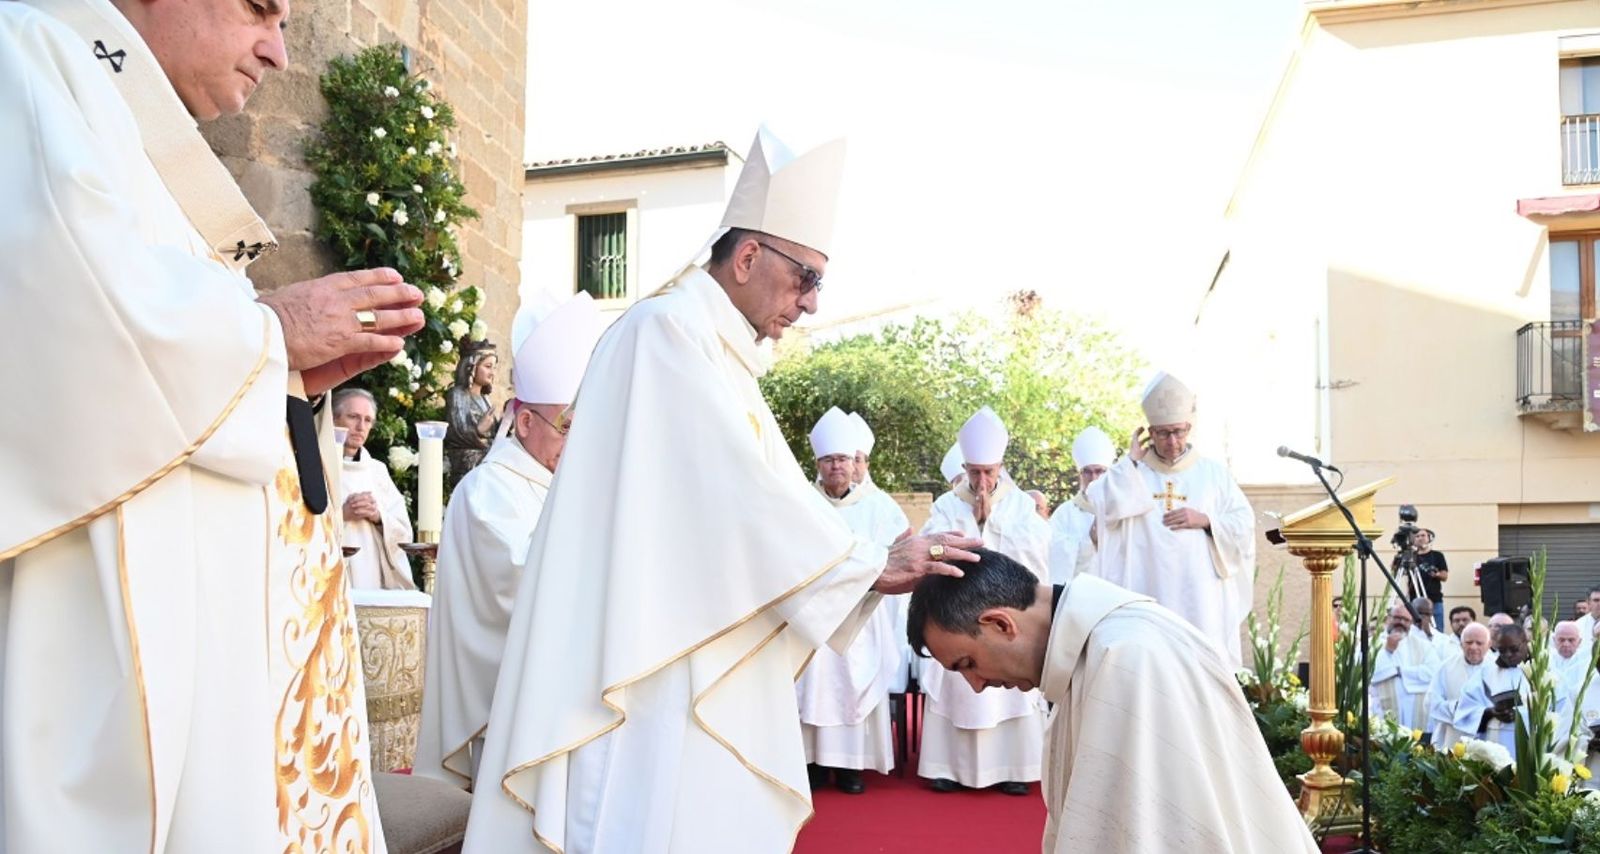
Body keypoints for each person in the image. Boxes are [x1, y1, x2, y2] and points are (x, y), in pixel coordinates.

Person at [460, 128, 982, 852]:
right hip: (650, 664)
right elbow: (741, 499)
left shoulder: (715, 352)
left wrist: (866, 559)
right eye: (807, 279)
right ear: (746, 257)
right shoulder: (665, 333)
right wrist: (866, 564)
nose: (810, 306)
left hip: (685, 644)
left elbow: (763, 494)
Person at [0, 0, 428, 849]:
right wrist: (268, 334)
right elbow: (72, 325)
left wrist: (280, 367)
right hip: (107, 689)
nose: (275, 50)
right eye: (259, 10)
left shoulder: (131, 125)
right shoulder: (28, 54)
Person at [907, 548, 1319, 853]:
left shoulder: (1126, 658)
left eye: (967, 663)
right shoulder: (1102, 644)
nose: (976, 686)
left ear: (1000, 623)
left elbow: (1154, 835)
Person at [415, 293, 607, 789]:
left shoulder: (561, 483)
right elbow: (520, 579)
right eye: (567, 427)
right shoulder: (490, 489)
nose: (577, 443)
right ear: (524, 422)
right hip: (508, 709)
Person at [916, 407, 1050, 796]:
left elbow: (1036, 552)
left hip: (1005, 613)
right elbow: (933, 546)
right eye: (974, 471)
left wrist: (990, 526)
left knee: (1006, 686)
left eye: (989, 472)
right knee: (959, 683)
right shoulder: (946, 504)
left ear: (1000, 467)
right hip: (956, 610)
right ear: (965, 466)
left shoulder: (1021, 505)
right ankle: (948, 768)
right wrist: (972, 525)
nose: (981, 480)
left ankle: (1012, 768)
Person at [1083, 372, 1256, 666]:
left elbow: (1244, 523)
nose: (1172, 441)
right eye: (1163, 433)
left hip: (1200, 597)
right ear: (1149, 432)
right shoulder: (1133, 473)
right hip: (1146, 589)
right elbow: (1102, 506)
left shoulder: (1212, 474)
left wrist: (1206, 520)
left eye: (1179, 431)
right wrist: (1131, 461)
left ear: (1189, 427)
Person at [795, 408, 910, 794]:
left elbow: (905, 548)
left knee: (854, 682)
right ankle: (810, 763)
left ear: (853, 462)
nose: (836, 467)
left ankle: (850, 766)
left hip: (862, 615)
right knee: (811, 687)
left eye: (842, 459)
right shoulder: (800, 503)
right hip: (814, 616)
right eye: (828, 460)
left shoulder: (878, 506)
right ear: (818, 464)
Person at [334, 387, 416, 590]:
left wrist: (378, 517)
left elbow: (404, 534)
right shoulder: (315, 464)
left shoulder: (377, 471)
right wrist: (341, 515)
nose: (361, 427)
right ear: (333, 419)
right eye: (353, 417)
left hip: (370, 575)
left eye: (368, 420)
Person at [1455, 624, 1536, 758]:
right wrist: (1489, 712)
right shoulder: (1486, 673)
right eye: (1502, 650)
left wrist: (1520, 715)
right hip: (1495, 743)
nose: (1508, 655)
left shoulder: (1542, 672)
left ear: (1526, 643)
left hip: (1530, 746)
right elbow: (1465, 708)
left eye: (1514, 649)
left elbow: (1557, 713)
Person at [1047, 426, 1113, 585]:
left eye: (1099, 471)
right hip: (1078, 593)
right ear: (1079, 474)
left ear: (1109, 473)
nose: (1093, 477)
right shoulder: (1065, 513)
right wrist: (1089, 543)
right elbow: (1053, 556)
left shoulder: (1121, 510)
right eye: (1087, 472)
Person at [1370, 603, 1441, 731]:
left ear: (1411, 623)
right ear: (1388, 619)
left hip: (1416, 710)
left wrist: (1401, 672)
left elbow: (1433, 673)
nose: (1401, 622)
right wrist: (1388, 651)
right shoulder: (1373, 643)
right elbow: (1368, 673)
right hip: (1381, 707)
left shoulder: (1424, 646)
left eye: (1406, 620)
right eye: (1397, 618)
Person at [1425, 623, 1491, 750]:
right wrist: (1456, 708)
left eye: (1479, 643)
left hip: (1485, 737)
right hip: (1452, 736)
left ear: (1489, 645)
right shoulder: (1446, 667)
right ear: (1461, 644)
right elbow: (1430, 702)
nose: (1473, 647)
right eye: (1469, 642)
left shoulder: (1496, 668)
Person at [445, 341, 500, 491]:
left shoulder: (485, 399)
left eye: (494, 368)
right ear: (472, 366)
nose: (492, 372)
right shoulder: (458, 395)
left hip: (488, 463)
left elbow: (493, 434)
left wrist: (506, 425)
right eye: (488, 366)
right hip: (467, 466)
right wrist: (478, 431)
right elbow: (455, 432)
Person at [1411, 528, 1448, 631]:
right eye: (1417, 536)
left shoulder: (1437, 555)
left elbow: (1445, 576)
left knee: (1438, 630)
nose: (1420, 538)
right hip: (1415, 600)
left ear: (1429, 538)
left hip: (1434, 600)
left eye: (1423, 536)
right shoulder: (1411, 557)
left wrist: (1436, 574)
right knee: (1415, 631)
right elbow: (1395, 569)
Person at [1553, 621, 1590, 696]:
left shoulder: (1587, 660)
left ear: (1579, 641)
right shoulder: (1546, 659)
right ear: (1554, 640)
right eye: (1561, 640)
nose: (1566, 644)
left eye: (1571, 640)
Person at [846, 410, 878, 491]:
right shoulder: (821, 498)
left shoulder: (878, 500)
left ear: (866, 465)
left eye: (857, 460)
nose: (851, 466)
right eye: (846, 459)